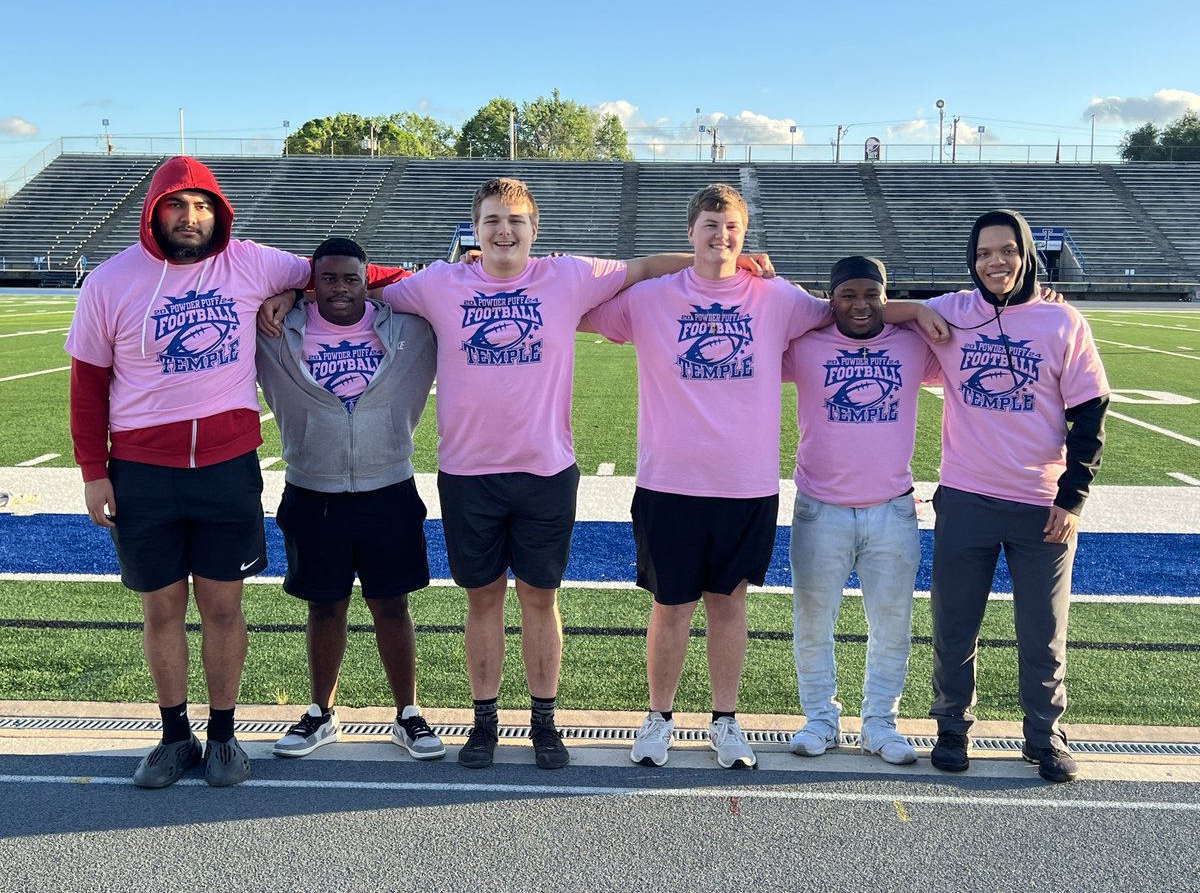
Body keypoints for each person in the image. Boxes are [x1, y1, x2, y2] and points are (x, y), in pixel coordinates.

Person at [258, 176, 773, 770]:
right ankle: (484, 723)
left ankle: (543, 721)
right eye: (493, 221)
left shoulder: (568, 275)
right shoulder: (440, 283)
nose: (505, 231)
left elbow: (644, 265)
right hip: (468, 471)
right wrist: (293, 292)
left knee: (539, 598)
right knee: (482, 602)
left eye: (516, 221)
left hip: (546, 469)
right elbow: (354, 287)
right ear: (474, 232)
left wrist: (727, 256)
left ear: (535, 229)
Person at [583, 186, 947, 770]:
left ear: (744, 235)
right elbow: (568, 309)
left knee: (729, 605)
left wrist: (909, 308)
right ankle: (660, 719)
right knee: (671, 606)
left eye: (731, 228)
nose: (720, 237)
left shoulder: (777, 297)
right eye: (709, 226)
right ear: (690, 231)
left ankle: (725, 722)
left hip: (745, 485)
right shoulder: (650, 298)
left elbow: (849, 310)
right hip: (669, 481)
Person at [64, 156, 320, 788]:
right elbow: (88, 384)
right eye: (178, 205)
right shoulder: (110, 281)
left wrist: (292, 292)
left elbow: (337, 271)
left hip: (226, 468)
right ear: (155, 210)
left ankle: (226, 736)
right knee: (161, 609)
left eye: (202, 205)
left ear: (219, 211)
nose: (190, 218)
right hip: (141, 473)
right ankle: (175, 736)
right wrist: (94, 472)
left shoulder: (252, 262)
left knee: (224, 606)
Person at [923, 209, 1109, 783]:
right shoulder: (955, 310)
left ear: (1027, 253)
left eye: (1006, 251)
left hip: (1040, 502)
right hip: (965, 494)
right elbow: (888, 313)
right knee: (954, 623)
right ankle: (952, 725)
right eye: (983, 254)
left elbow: (1090, 415)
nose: (994, 263)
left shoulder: (1063, 322)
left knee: (1042, 630)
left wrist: (1072, 499)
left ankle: (1043, 733)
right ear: (970, 260)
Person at [255, 237, 443, 761]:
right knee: (325, 604)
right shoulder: (273, 329)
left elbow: (426, 284)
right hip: (313, 488)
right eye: (328, 279)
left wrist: (300, 287)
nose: (340, 289)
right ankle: (321, 713)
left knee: (392, 604)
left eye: (352, 279)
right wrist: (289, 293)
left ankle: (408, 712)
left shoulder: (410, 327)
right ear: (312, 283)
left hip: (389, 487)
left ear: (368, 280)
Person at [782, 256, 941, 766]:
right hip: (819, 507)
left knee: (892, 624)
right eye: (848, 294)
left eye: (872, 294)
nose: (860, 304)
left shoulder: (914, 343)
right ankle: (820, 720)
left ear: (886, 297)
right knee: (812, 622)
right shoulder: (805, 342)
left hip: (892, 508)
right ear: (830, 297)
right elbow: (769, 320)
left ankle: (880, 723)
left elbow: (966, 322)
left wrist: (910, 310)